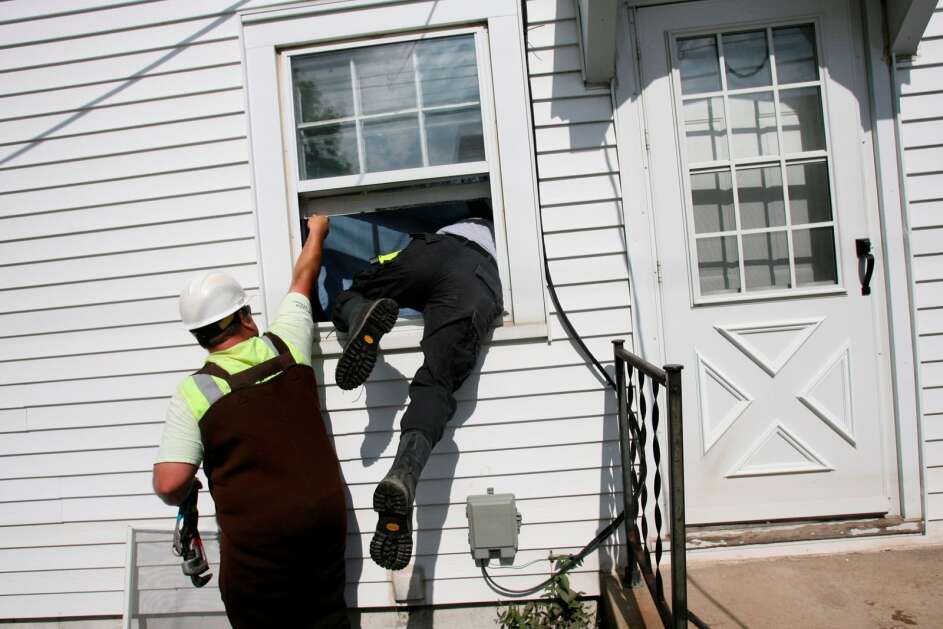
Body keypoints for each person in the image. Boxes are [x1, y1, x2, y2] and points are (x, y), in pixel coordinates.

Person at [152, 216, 349, 628]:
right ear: (244, 317)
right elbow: (302, 280)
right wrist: (317, 231)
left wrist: (190, 487)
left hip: (259, 549)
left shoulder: (195, 392)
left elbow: (170, 484)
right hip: (322, 524)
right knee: (326, 617)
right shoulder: (287, 344)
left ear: (200, 335)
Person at [331, 211, 503, 571]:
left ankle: (360, 311)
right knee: (437, 382)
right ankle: (404, 473)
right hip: (478, 275)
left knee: (352, 290)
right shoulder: (503, 227)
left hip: (432, 250)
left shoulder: (458, 223)